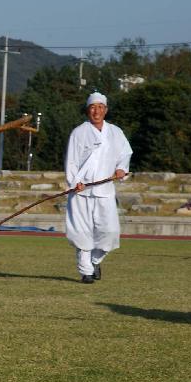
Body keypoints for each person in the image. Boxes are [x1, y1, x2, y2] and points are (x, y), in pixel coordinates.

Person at [64, 92, 132, 284]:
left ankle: (95, 261)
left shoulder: (116, 132)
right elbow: (71, 161)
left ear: (106, 110)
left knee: (109, 232)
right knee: (81, 232)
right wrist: (73, 182)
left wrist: (121, 168)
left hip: (105, 191)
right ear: (88, 110)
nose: (97, 111)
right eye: (93, 107)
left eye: (100, 107)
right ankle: (86, 271)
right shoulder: (79, 132)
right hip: (81, 191)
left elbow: (125, 154)